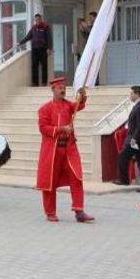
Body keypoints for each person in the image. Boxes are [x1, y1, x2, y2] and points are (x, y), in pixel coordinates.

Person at [36, 77, 94, 223]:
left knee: (77, 177)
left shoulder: (68, 105)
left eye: (64, 87)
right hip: (52, 151)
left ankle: (79, 211)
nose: (63, 90)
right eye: (60, 87)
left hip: (69, 148)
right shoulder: (44, 109)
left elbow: (78, 106)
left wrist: (83, 96)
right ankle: (50, 212)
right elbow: (43, 129)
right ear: (53, 90)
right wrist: (62, 129)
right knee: (50, 181)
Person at [113, 86, 140, 192]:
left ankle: (124, 180)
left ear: (137, 94)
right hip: (139, 140)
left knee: (123, 156)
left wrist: (134, 139)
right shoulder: (138, 106)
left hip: (136, 140)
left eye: (131, 93)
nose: (130, 96)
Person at [18, 14, 52, 86]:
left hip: (43, 49)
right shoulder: (33, 28)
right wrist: (20, 42)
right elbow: (28, 37)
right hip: (35, 49)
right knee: (34, 66)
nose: (37, 21)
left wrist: (49, 48)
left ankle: (44, 82)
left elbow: (49, 38)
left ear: (41, 19)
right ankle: (35, 82)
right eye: (36, 20)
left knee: (44, 66)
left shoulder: (45, 27)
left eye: (38, 19)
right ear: (35, 20)